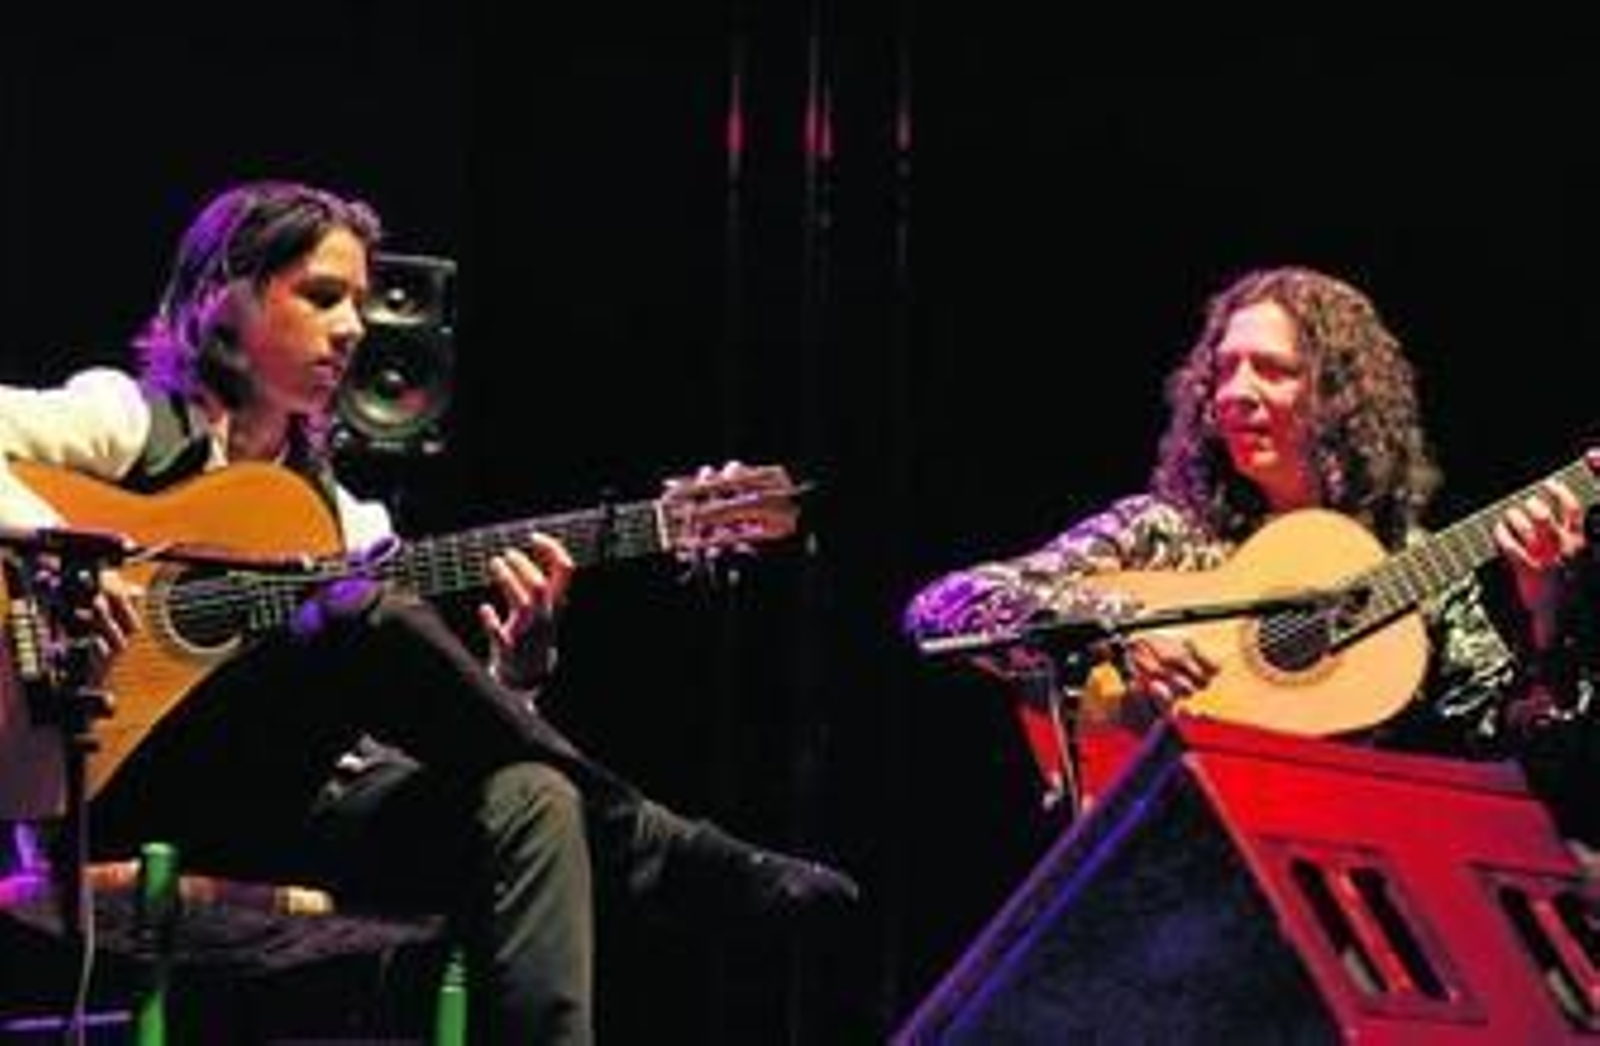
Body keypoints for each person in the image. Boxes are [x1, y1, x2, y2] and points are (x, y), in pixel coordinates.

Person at [0, 180, 858, 1043]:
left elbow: (412, 725)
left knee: (529, 794)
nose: (354, 327)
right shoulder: (127, 421)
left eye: (361, 304)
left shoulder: (347, 520)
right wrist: (63, 561)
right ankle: (650, 843)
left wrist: (517, 678)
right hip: (109, 792)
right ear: (223, 298)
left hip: (276, 815)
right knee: (354, 609)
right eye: (322, 295)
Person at [903, 265, 1598, 823]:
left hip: (1348, 891)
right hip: (1165, 858)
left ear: (1341, 398)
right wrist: (1117, 630)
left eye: (1271, 370)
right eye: (1224, 370)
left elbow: (1514, 766)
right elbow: (943, 607)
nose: (1233, 393)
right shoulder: (1162, 535)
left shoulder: (1418, 569)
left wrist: (1547, 610)